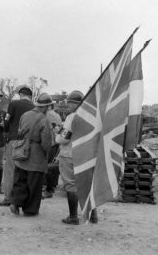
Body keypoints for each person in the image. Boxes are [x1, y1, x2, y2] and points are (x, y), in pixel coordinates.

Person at [55, 90, 98, 225]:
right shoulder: (93, 117)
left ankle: (73, 216)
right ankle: (93, 216)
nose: (68, 106)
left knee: (71, 184)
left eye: (70, 103)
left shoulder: (72, 117)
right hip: (87, 155)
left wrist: (57, 135)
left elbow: (64, 138)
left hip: (70, 154)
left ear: (76, 104)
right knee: (87, 184)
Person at [10, 93, 52, 216]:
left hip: (22, 152)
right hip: (36, 156)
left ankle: (15, 203)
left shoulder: (25, 115)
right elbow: (46, 142)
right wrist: (47, 153)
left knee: (20, 181)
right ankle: (30, 210)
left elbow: (20, 132)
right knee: (34, 185)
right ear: (46, 107)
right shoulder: (43, 119)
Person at [0, 86, 34, 206]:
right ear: (30, 96)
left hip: (14, 140)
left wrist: (6, 129)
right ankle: (24, 199)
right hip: (29, 142)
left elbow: (7, 120)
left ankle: (8, 198)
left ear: (20, 94)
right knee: (25, 170)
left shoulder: (14, 104)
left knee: (10, 170)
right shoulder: (34, 107)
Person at [42, 103, 62, 199]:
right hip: (57, 142)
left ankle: (47, 187)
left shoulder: (46, 115)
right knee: (54, 165)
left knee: (47, 165)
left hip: (49, 142)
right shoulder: (57, 115)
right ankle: (53, 185)